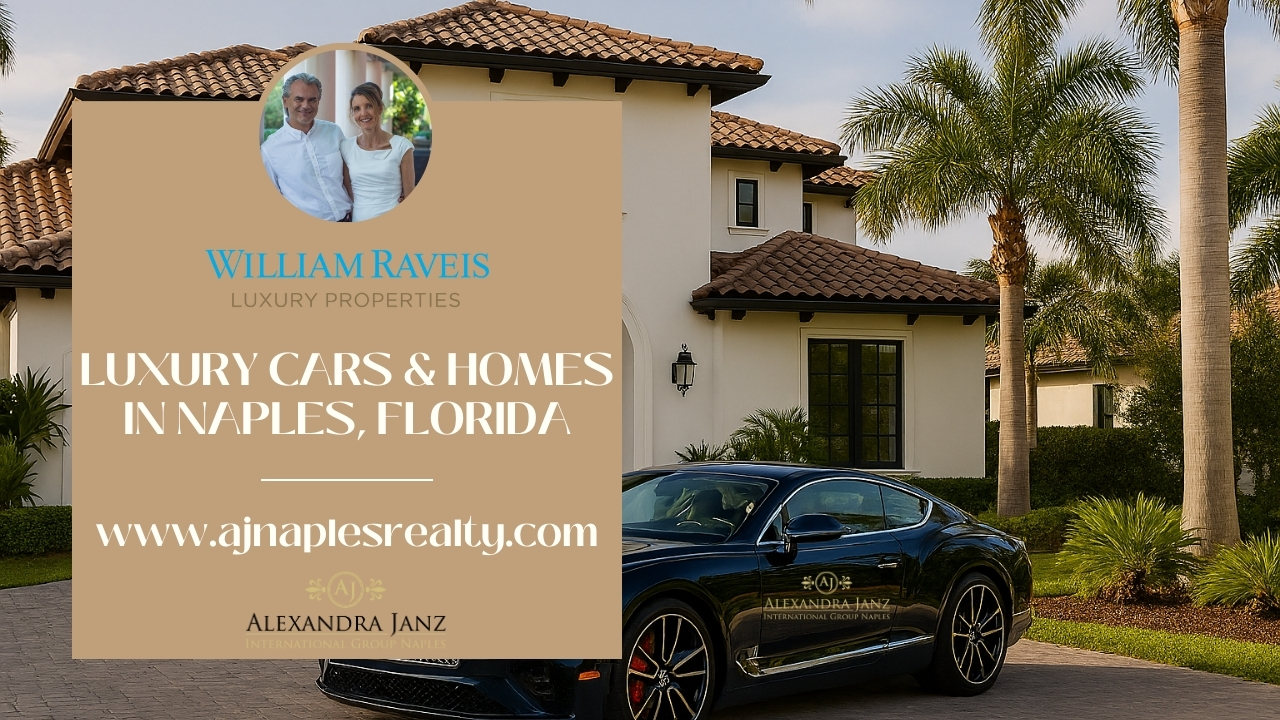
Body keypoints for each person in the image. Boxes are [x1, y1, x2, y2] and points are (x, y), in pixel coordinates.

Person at [260, 72, 353, 222]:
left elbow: (350, 175)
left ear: (318, 102)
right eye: (299, 99)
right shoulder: (270, 150)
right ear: (285, 101)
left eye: (312, 100)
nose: (306, 105)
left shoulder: (334, 132)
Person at [340, 82, 416, 222]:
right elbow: (349, 193)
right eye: (357, 108)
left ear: (380, 108)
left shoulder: (402, 147)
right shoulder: (346, 148)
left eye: (369, 106)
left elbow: (410, 197)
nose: (363, 113)